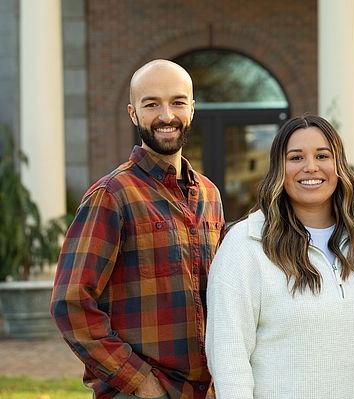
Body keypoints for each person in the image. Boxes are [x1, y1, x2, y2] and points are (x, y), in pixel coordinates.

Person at [205, 115, 354, 398]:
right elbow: (228, 355)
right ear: (278, 169)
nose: (310, 167)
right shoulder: (245, 244)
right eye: (296, 157)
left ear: (338, 165)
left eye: (322, 155)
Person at [50, 59, 224, 399]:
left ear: (192, 108)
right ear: (133, 113)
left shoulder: (209, 194)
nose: (166, 115)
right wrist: (141, 384)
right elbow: (70, 302)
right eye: (151, 104)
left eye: (177, 102)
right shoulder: (112, 195)